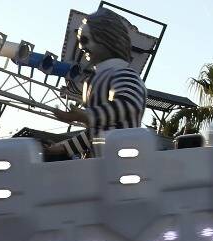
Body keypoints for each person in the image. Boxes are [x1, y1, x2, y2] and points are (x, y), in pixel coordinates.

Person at [44, 8, 147, 161]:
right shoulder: (96, 79)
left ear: (106, 38)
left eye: (85, 40)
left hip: (125, 165)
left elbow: (129, 104)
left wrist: (86, 115)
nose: (81, 47)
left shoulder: (123, 74)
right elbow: (97, 131)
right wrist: (64, 147)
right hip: (104, 167)